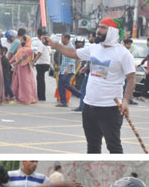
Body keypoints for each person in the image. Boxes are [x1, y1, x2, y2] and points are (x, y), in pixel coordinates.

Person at [44, 17, 135, 154]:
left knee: (114, 147)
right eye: (99, 27)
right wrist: (54, 44)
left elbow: (131, 78)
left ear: (113, 32)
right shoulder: (94, 48)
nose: (98, 30)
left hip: (110, 108)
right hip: (89, 107)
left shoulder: (123, 53)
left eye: (103, 28)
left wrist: (126, 101)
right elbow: (73, 53)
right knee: (92, 147)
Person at [10, 35, 38, 105]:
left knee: (25, 83)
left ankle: (27, 98)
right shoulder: (20, 48)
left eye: (23, 40)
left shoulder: (29, 50)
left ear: (27, 41)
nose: (21, 41)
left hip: (25, 68)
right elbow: (15, 56)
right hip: (18, 68)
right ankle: (17, 97)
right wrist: (9, 62)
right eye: (21, 40)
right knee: (16, 82)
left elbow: (23, 58)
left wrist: (15, 63)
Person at [55, 34, 82, 107]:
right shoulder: (64, 47)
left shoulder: (71, 47)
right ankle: (63, 101)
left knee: (66, 84)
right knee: (61, 85)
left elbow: (72, 60)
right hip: (63, 69)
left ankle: (80, 95)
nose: (61, 40)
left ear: (67, 39)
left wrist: (68, 69)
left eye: (62, 38)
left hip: (68, 70)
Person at [31, 28, 52, 101]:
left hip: (41, 63)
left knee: (40, 80)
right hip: (46, 63)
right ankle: (41, 96)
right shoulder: (47, 43)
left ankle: (41, 96)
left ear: (38, 35)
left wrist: (33, 61)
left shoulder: (40, 43)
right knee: (41, 79)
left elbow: (39, 53)